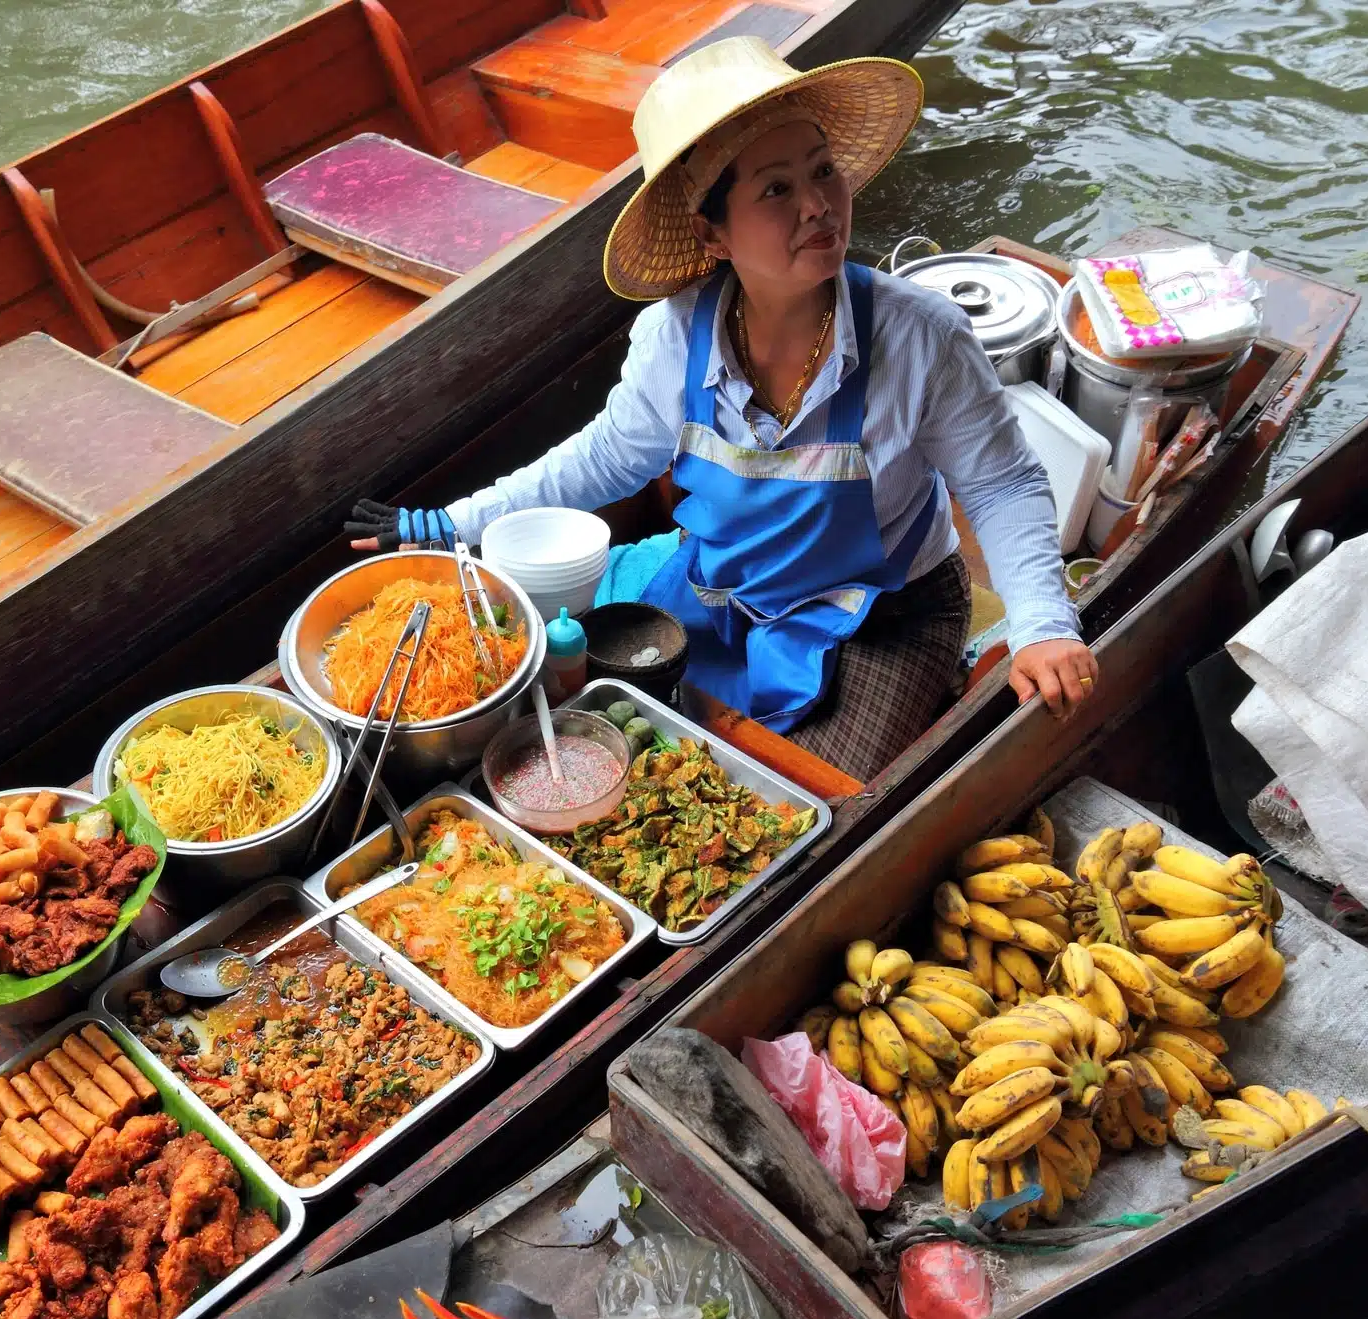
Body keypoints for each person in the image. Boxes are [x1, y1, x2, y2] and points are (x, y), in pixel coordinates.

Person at [349, 37, 1099, 779]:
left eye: (822, 171)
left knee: (807, 801)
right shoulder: (675, 338)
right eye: (776, 190)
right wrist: (451, 523)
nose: (817, 205)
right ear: (712, 232)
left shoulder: (921, 336)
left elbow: (1002, 484)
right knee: (616, 747)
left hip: (884, 616)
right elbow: (604, 458)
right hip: (725, 591)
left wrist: (1041, 625)